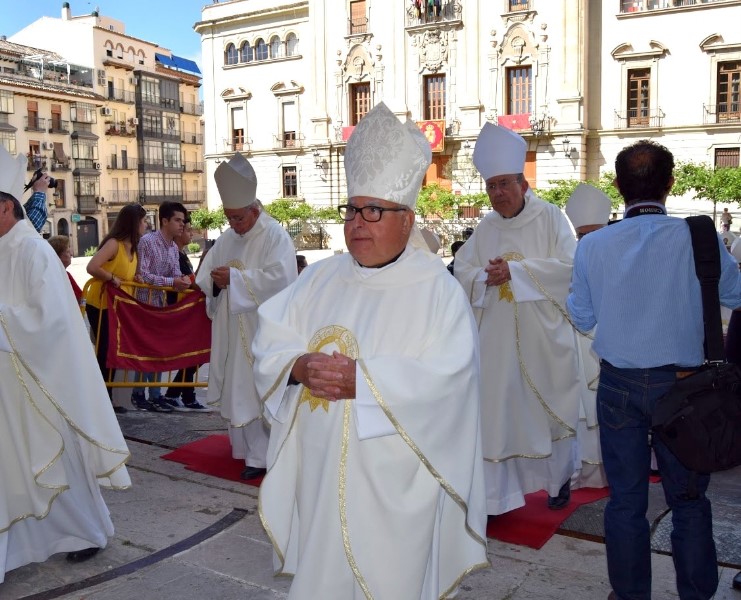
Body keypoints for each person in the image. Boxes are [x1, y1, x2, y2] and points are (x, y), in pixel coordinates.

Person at [252, 101, 487, 599]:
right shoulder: (317, 278)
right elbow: (270, 337)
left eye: (374, 210)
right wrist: (296, 365)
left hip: (394, 482)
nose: (358, 222)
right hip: (318, 475)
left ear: (407, 218)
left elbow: (452, 378)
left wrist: (367, 382)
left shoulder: (437, 290)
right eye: (352, 209)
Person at [567, 140, 741, 600]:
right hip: (685, 389)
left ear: (619, 188)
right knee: (688, 500)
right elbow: (736, 296)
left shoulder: (593, 246)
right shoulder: (699, 236)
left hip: (620, 387)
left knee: (625, 502)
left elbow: (582, 318)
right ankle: (697, 594)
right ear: (670, 184)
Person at [0, 145, 130, 581]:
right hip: (9, 383)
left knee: (58, 463)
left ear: (4, 208)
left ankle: (88, 532)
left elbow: (52, 320)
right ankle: (20, 542)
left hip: (41, 384)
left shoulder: (34, 252)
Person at [453, 122, 582, 514]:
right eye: (491, 186)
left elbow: (570, 266)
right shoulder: (486, 227)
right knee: (498, 416)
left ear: (523, 184)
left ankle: (557, 482)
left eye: (505, 184)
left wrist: (518, 272)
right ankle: (498, 497)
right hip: (496, 342)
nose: (497, 194)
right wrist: (483, 277)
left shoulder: (550, 218)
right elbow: (461, 268)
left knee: (545, 412)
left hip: (542, 336)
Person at [195, 152, 297, 481]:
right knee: (236, 387)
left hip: (261, 331)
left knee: (255, 389)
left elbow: (283, 280)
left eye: (238, 218)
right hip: (230, 330)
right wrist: (214, 281)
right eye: (229, 218)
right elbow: (205, 276)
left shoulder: (274, 235)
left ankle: (263, 456)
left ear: (255, 209)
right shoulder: (227, 239)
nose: (234, 225)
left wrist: (237, 280)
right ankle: (244, 451)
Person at [563, 183, 611, 490]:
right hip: (579, 343)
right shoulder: (576, 253)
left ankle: (606, 469)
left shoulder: (615, 250)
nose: (587, 241)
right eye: (582, 235)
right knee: (582, 405)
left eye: (593, 234)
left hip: (608, 341)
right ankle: (585, 468)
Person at [86, 203, 148, 414]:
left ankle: (109, 399)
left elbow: (128, 276)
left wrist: (135, 278)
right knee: (104, 350)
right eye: (143, 220)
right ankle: (100, 399)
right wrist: (111, 278)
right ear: (133, 223)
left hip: (119, 307)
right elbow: (92, 266)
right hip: (101, 304)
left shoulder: (134, 248)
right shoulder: (114, 244)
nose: (146, 224)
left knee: (114, 351)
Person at [131, 201, 192, 413]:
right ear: (164, 220)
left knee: (156, 350)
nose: (182, 225)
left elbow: (174, 274)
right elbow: (143, 274)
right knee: (145, 350)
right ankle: (139, 393)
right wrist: (171, 283)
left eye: (183, 221)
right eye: (177, 220)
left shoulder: (174, 248)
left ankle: (155, 394)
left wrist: (183, 281)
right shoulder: (147, 242)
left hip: (160, 304)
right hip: (143, 302)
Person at [162, 214, 211, 412]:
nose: (189, 232)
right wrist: (204, 263)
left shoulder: (181, 254)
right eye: (187, 229)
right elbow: (188, 281)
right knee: (193, 355)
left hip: (189, 310)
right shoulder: (175, 254)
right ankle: (181, 394)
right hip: (181, 310)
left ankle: (177, 393)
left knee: (194, 356)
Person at [48, 234, 83, 306]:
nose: (71, 254)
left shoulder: (61, 274)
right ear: (58, 256)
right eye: (67, 251)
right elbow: (81, 298)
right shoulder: (61, 275)